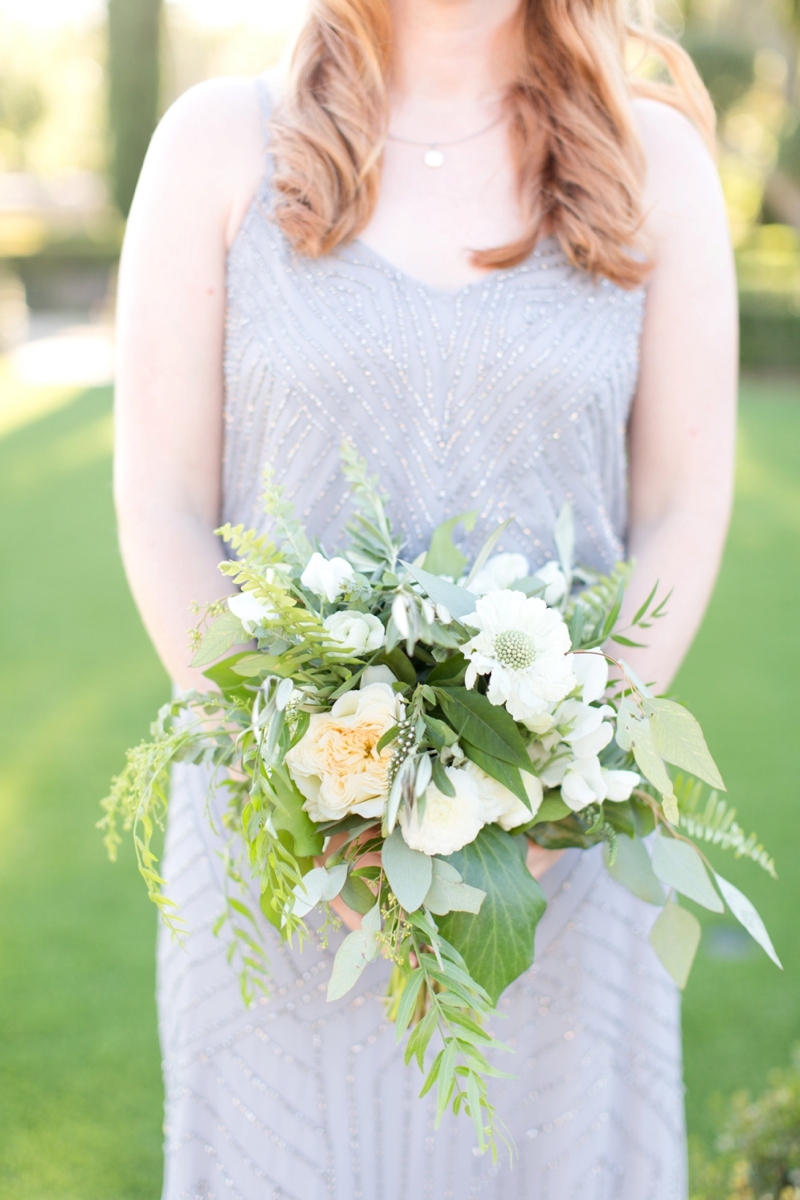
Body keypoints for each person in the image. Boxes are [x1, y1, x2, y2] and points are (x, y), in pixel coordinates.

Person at [113, 0, 737, 1195]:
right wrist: (313, 803)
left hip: (563, 868)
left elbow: (679, 511)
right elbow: (160, 504)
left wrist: (548, 793)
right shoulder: (214, 147)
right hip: (276, 852)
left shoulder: (655, 166)